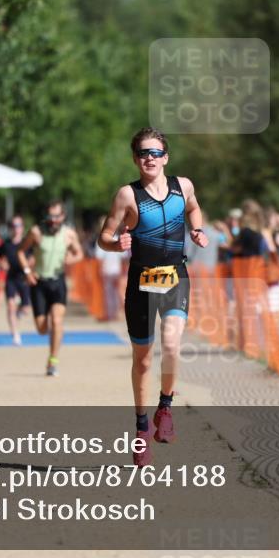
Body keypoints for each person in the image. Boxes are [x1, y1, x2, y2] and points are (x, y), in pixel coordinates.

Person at [97, 127, 208, 466]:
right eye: (144, 153)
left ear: (166, 157)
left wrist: (197, 229)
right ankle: (142, 428)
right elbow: (104, 236)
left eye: (156, 152)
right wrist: (117, 244)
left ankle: (166, 409)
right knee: (143, 360)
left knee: (172, 345)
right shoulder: (126, 196)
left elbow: (193, 209)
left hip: (176, 277)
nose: (150, 158)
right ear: (135, 159)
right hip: (141, 284)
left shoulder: (183, 186)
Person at [17, 200, 84, 376]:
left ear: (63, 216)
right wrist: (27, 271)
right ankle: (48, 333)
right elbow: (20, 252)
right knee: (42, 328)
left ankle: (52, 361)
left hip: (58, 282)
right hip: (38, 283)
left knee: (57, 321)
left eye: (57, 216)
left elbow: (79, 253)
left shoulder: (69, 234)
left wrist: (71, 259)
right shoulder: (36, 232)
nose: (53, 220)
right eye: (50, 216)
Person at [0, 215, 31, 346]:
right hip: (11, 278)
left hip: (24, 278)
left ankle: (19, 312)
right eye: (13, 226)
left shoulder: (27, 242)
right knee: (10, 305)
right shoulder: (5, 243)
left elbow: (33, 258)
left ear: (22, 228)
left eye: (18, 225)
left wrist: (29, 266)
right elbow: (0, 259)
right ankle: (15, 335)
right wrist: (2, 264)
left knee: (26, 309)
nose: (16, 228)